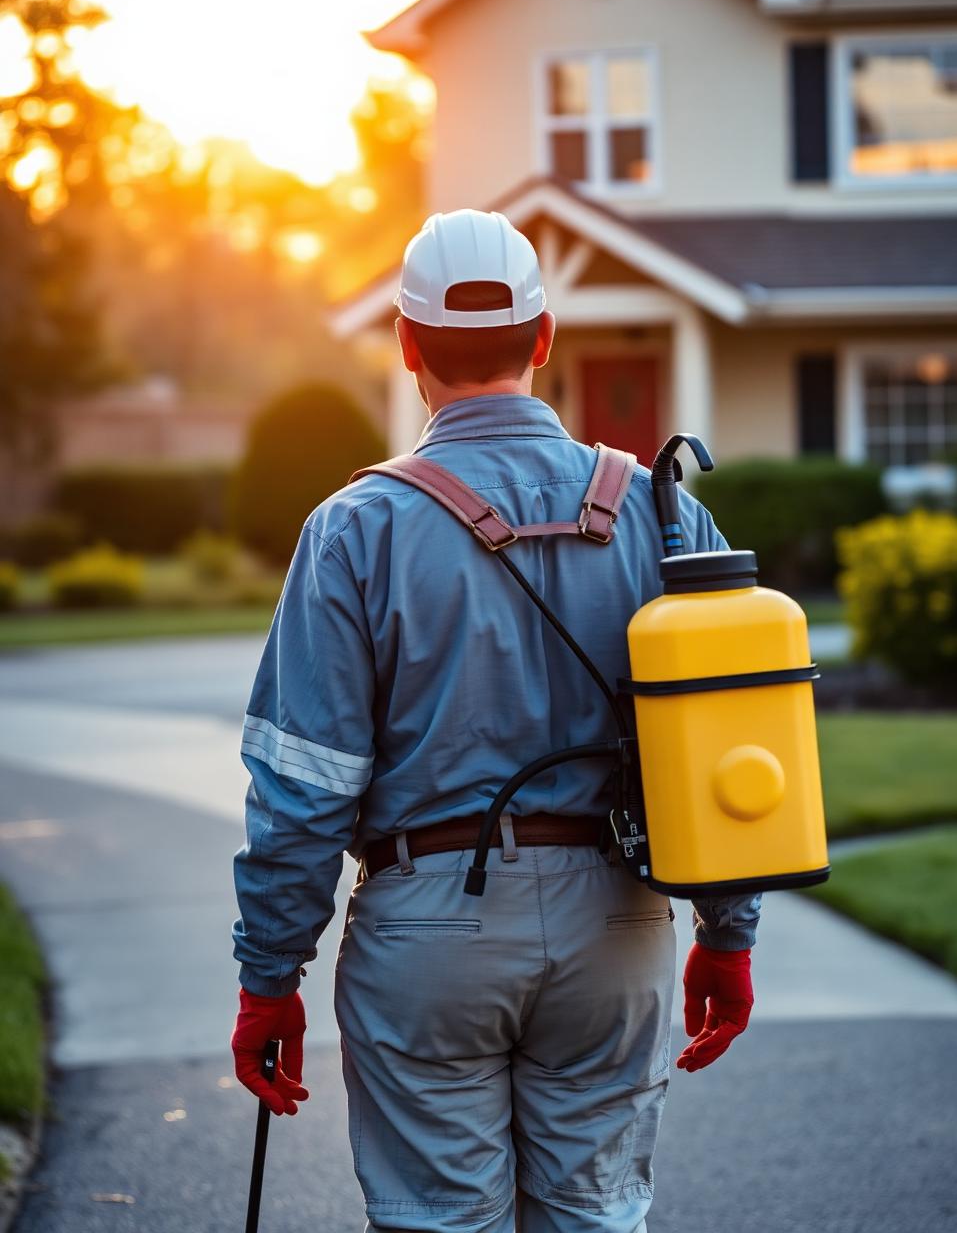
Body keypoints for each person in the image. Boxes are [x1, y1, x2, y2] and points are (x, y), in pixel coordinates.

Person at [231, 209, 761, 1233]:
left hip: (427, 931)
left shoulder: (354, 529)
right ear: (545, 335)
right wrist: (726, 934)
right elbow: (731, 756)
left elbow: (304, 787)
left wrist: (269, 976)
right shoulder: (663, 514)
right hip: (617, 925)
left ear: (406, 343)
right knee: (593, 1217)